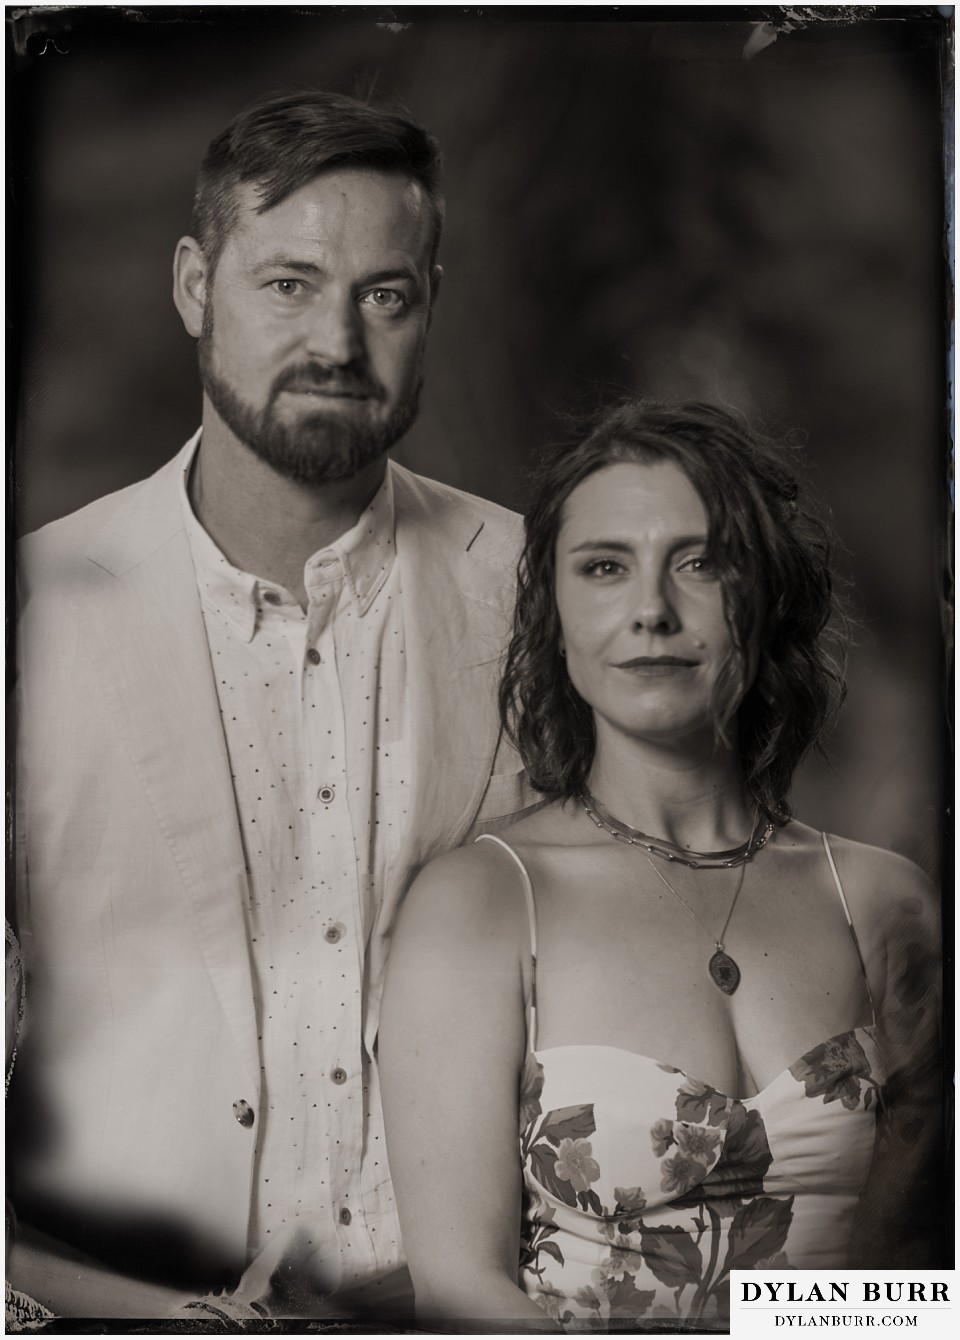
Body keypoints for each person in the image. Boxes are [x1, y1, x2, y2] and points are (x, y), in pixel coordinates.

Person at [10, 89, 535, 1321]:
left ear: (430, 302)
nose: (338, 343)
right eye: (288, 283)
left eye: (384, 295)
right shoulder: (30, 608)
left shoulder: (538, 589)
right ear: (195, 283)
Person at [379, 400, 942, 1331]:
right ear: (553, 614)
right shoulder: (480, 904)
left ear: (763, 599)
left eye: (700, 563)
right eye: (604, 568)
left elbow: (926, 1265)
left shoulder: (884, 902)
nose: (651, 611)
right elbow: (461, 1292)